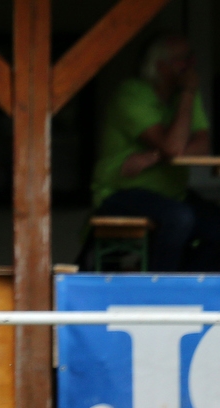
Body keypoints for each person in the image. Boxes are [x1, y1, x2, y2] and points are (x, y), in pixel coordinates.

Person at [91, 32, 220, 272]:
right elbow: (173, 147)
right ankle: (159, 291)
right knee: (179, 219)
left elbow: (202, 145)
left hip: (173, 193)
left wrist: (153, 157)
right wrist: (188, 95)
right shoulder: (131, 94)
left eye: (191, 57)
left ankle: (183, 285)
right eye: (183, 59)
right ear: (160, 66)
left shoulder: (185, 96)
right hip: (121, 190)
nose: (191, 64)